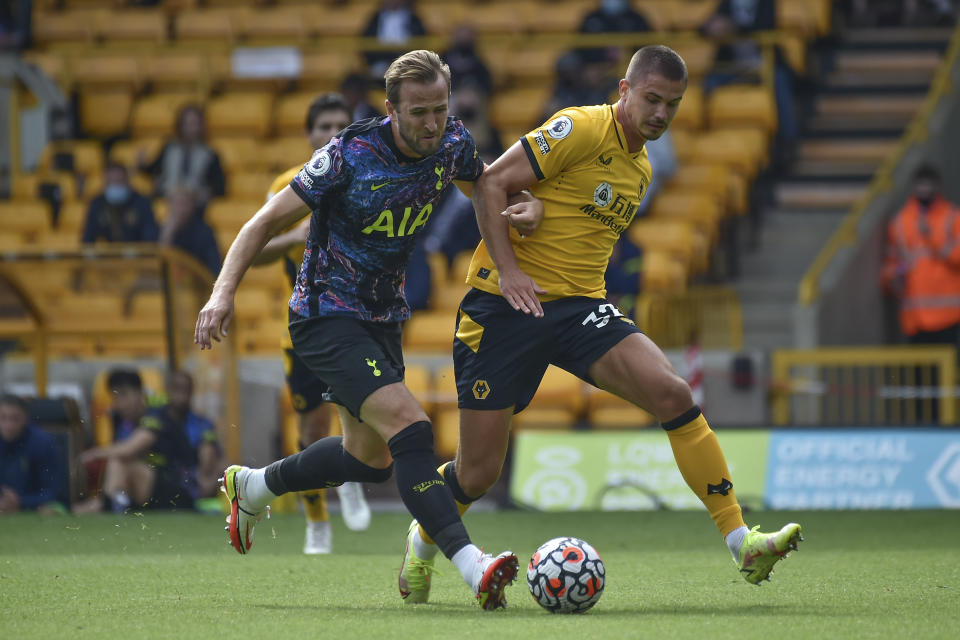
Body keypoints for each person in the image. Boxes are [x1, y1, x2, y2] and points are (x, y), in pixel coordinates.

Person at [397, 45, 804, 605]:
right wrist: (512, 269)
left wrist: (535, 203)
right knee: (477, 473)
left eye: (673, 104)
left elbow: (550, 205)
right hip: (502, 305)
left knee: (672, 391)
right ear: (624, 90)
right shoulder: (581, 128)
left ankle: (742, 542)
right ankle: (421, 542)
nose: (661, 113)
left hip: (578, 308)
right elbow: (490, 182)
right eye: (652, 99)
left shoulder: (641, 169)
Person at [194, 50, 543, 610]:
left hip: (383, 318)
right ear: (391, 109)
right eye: (419, 112)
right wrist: (221, 292)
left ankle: (253, 485)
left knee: (369, 459)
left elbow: (484, 187)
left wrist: (526, 206)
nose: (432, 123)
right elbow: (263, 222)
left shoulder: (452, 143)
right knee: (411, 428)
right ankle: (472, 565)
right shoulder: (347, 155)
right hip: (324, 316)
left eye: (440, 109)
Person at [254, 92, 372, 555]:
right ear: (308, 134)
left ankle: (350, 477)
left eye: (339, 126)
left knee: (360, 411)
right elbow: (258, 249)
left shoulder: (365, 176)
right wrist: (295, 236)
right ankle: (317, 521)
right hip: (303, 325)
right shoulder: (288, 184)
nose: (330, 134)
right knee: (308, 430)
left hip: (356, 317)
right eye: (322, 126)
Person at [73, 371, 196, 514]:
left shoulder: (158, 414)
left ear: (140, 393)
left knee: (119, 460)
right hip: (146, 491)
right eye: (115, 397)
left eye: (124, 395)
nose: (120, 403)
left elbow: (129, 449)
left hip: (177, 490)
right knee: (117, 462)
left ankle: (109, 507)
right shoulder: (119, 420)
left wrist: (93, 454)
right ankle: (113, 505)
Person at [883, 164, 960, 346]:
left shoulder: (952, 217)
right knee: (920, 373)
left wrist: (932, 238)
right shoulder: (900, 222)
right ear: (913, 187)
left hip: (949, 315)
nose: (924, 190)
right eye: (921, 185)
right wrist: (893, 278)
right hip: (915, 316)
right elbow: (892, 263)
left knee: (947, 370)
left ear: (937, 187)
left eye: (928, 185)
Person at [138, 104, 226, 203]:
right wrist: (142, 165)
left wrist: (208, 192)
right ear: (180, 125)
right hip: (167, 196)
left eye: (194, 124)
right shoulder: (169, 148)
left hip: (195, 202)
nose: (190, 128)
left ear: (201, 126)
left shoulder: (210, 154)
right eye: (186, 124)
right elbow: (154, 170)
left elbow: (220, 187)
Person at [0, 393, 66, 514]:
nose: (8, 425)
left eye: (15, 419)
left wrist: (20, 501)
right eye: (3, 418)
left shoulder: (43, 443)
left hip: (37, 506)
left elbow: (53, 492)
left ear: (25, 418)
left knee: (50, 510)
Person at [164, 370, 222, 500]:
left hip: (194, 474)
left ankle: (199, 497)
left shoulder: (202, 423)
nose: (182, 395)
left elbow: (210, 452)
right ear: (168, 390)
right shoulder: (157, 418)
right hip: (165, 474)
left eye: (186, 390)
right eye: (177, 389)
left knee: (223, 465)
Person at [81, 162, 159, 244]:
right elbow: (88, 238)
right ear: (105, 182)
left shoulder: (142, 203)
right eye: (112, 182)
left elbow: (150, 236)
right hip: (107, 254)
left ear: (127, 180)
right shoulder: (97, 204)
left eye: (119, 181)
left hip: (136, 253)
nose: (116, 186)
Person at [158, 185, 222, 276]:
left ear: (192, 205)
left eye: (184, 203)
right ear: (169, 204)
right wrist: (167, 235)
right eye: (176, 203)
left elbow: (214, 267)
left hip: (196, 285)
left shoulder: (204, 232)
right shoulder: (161, 228)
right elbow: (157, 264)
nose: (180, 208)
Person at [361, 0, 427, 78]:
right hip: (380, 65)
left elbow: (421, 43)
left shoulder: (413, 19)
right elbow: (366, 44)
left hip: (408, 64)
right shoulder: (375, 19)